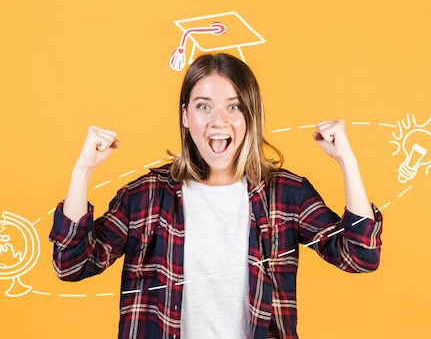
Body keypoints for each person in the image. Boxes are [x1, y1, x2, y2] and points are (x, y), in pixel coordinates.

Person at [49, 53, 383, 339]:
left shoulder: (286, 194)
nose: (217, 121)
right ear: (185, 116)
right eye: (203, 106)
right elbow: (72, 264)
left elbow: (360, 255)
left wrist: (346, 161)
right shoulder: (146, 196)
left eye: (233, 106)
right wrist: (83, 170)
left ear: (250, 115)